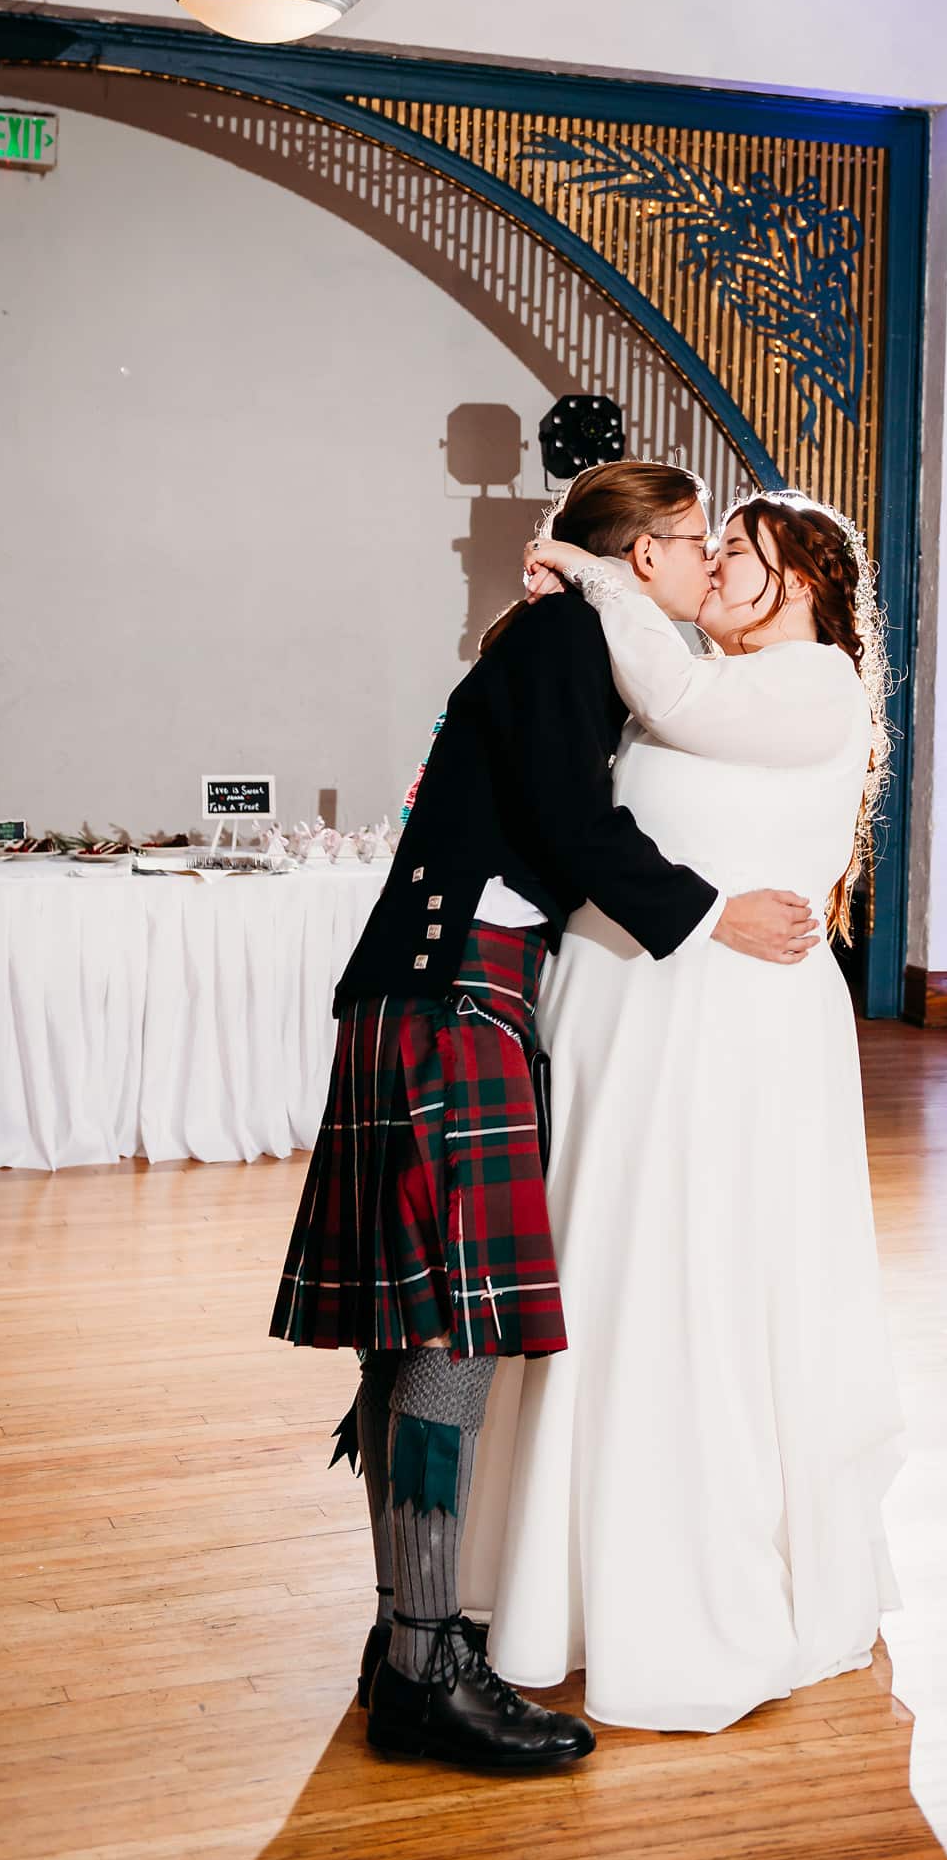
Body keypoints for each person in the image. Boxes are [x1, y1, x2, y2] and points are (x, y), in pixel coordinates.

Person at [268, 462, 819, 1770]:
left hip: (446, 992)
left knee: (420, 1343)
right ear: (643, 556)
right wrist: (712, 915)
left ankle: (412, 1641)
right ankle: (424, 1671)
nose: (700, 569)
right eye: (691, 545)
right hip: (452, 995)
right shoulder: (571, 638)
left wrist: (568, 567)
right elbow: (576, 828)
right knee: (448, 1339)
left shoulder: (563, 633)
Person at [463, 489, 906, 1733]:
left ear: (801, 581)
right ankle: (561, 1582)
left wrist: (596, 574)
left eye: (736, 556)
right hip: (630, 1014)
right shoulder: (706, 669)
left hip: (725, 1032)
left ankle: (682, 1594)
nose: (711, 572)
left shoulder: (810, 680)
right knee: (602, 1276)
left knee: (689, 1278)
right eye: (709, 553)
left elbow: (681, 703)